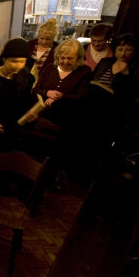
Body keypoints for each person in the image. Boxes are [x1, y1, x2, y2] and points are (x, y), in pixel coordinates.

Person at [32, 39, 92, 184]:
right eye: (62, 57)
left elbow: (83, 97)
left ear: (78, 58)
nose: (65, 61)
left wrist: (60, 97)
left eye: (70, 58)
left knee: (59, 153)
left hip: (67, 121)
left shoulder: (84, 71)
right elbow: (36, 90)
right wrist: (47, 92)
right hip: (44, 117)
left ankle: (53, 178)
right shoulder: (50, 69)